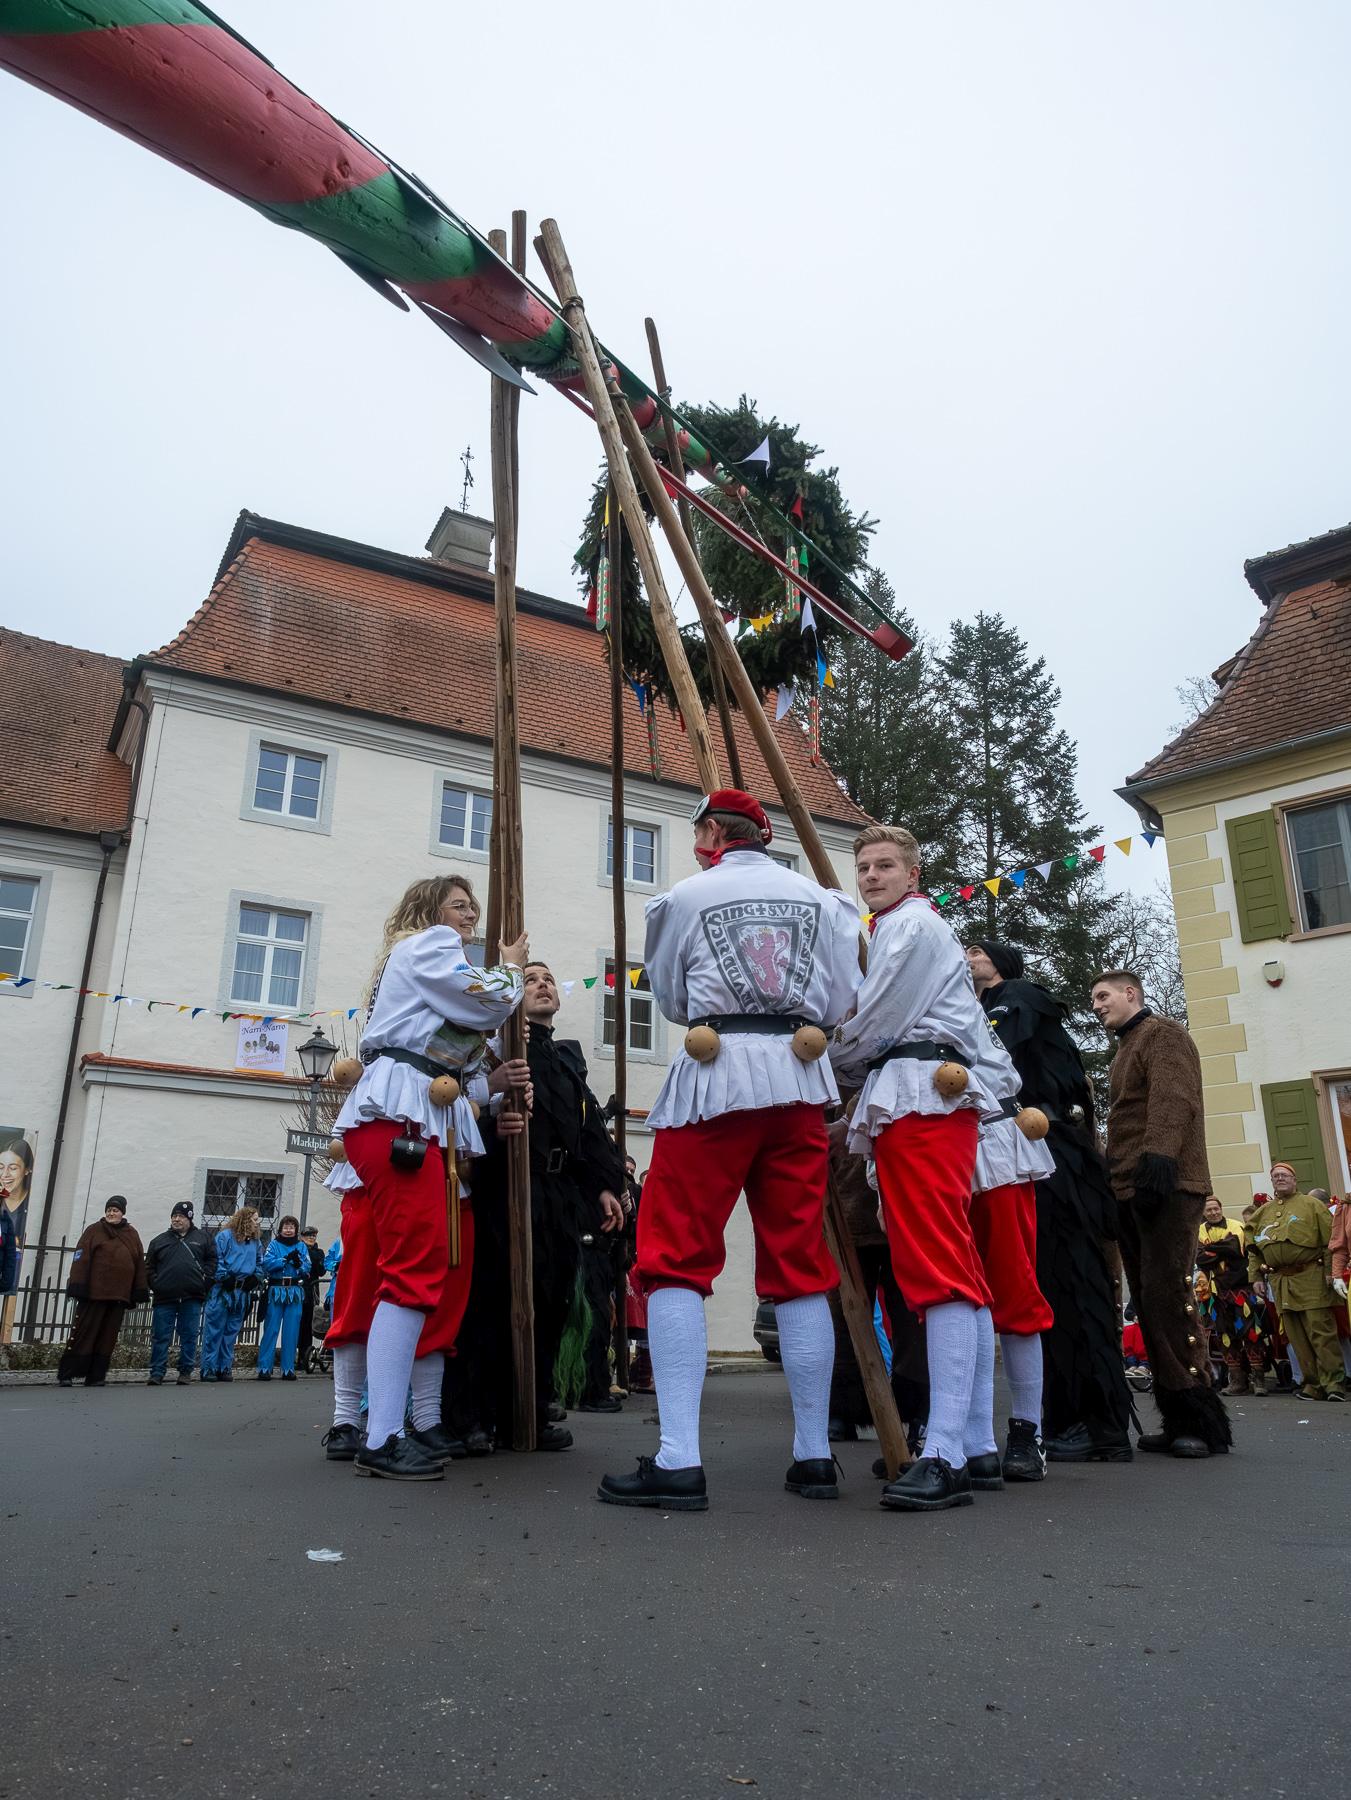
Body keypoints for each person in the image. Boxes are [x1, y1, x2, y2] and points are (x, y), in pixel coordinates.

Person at [599, 788, 862, 1512]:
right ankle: (812, 1454)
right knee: (801, 1263)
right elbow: (843, 997)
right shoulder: (824, 902)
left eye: (696, 834)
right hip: (797, 1079)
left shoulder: (681, 898)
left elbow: (676, 1000)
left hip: (715, 1075)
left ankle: (679, 1457)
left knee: (675, 1253)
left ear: (713, 831)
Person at [323, 874, 526, 1479]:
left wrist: (488, 1089)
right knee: (409, 1271)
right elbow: (485, 1001)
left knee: (424, 1269)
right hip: (400, 1117)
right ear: (429, 910)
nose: (469, 919)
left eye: (472, 910)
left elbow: (451, 1056)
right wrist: (510, 969)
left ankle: (393, 1425)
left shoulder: (416, 961)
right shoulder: (430, 944)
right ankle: (380, 1434)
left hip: (414, 1114)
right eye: (460, 906)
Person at [830, 827, 1004, 1513]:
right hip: (906, 1090)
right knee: (934, 1262)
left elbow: (874, 1023)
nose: (871, 875)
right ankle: (974, 1444)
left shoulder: (910, 928)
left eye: (884, 866)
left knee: (938, 1266)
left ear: (913, 871)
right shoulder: (893, 928)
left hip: (923, 1091)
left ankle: (947, 1452)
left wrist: (814, 1066)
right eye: (863, 866)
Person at [966, 941, 1133, 1464]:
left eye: (977, 951)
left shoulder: (1017, 998)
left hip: (1052, 1155)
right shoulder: (987, 1009)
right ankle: (1070, 1418)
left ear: (1002, 964)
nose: (967, 957)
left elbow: (990, 1061)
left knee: (1067, 1282)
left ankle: (1095, 1423)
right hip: (1033, 1151)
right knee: (1050, 1283)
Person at [1091, 970, 1231, 1457]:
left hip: (1167, 1183)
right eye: (1093, 998)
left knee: (1169, 1291)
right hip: (1132, 1186)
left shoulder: (1163, 1034)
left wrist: (1158, 1165)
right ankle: (1176, 1418)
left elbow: (1175, 1101)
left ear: (1132, 993)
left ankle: (1201, 1417)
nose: (1096, 1005)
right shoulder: (1125, 1048)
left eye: (1103, 995)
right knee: (1148, 1299)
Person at [968, 1049, 1057, 1483]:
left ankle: (1028, 1431)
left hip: (992, 1145)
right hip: (929, 1146)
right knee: (952, 1295)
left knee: (1014, 1292)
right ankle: (967, 1435)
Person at [1247, 1164, 1343, 1402]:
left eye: (1284, 1175)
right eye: (1275, 1176)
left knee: (1321, 1332)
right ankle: (1312, 1384)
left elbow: (1331, 1241)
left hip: (1311, 1276)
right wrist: (1255, 1277)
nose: (1279, 1179)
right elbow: (1254, 1250)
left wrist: (1332, 1271)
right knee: (1296, 1336)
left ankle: (1334, 1384)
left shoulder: (1313, 1206)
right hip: (1280, 1282)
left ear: (1294, 1179)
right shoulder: (1262, 1212)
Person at [56, 1197, 147, 1387]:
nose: (111, 1213)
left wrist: (139, 1289)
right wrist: (78, 1285)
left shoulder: (132, 1234)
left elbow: (139, 1263)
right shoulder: (93, 1231)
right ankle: (68, 1373)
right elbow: (81, 1258)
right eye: (109, 1210)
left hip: (118, 1296)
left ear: (123, 1213)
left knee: (107, 1337)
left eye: (115, 1210)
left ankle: (96, 1375)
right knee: (84, 1333)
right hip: (94, 1294)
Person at [1195, 1195, 1271, 1396]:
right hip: (1216, 1293)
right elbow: (1200, 1259)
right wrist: (1221, 1249)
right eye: (1209, 1210)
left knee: (1250, 1332)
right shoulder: (1199, 1231)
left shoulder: (1236, 1225)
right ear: (1204, 1212)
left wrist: (1212, 1249)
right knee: (1225, 1335)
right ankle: (1238, 1381)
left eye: (1216, 1209)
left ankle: (1259, 1380)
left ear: (1221, 1208)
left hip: (1240, 1289)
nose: (1213, 1212)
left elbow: (1236, 1248)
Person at [144, 1201, 217, 1385]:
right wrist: (156, 1284)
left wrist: (205, 1281)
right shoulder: (159, 1241)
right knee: (161, 1336)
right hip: (164, 1297)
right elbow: (149, 1267)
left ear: (189, 1218)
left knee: (189, 1335)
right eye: (174, 1216)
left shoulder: (203, 1238)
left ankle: (185, 1371)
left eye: (181, 1216)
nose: (176, 1219)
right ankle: (157, 1372)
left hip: (192, 1297)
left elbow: (212, 1261)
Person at [199, 1206, 262, 1382]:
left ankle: (224, 1367)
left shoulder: (255, 1242)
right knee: (214, 1331)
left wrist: (255, 1278)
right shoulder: (225, 1237)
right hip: (223, 1291)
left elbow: (260, 1262)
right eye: (255, 1219)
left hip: (242, 1292)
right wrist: (223, 1276)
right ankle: (208, 1368)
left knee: (231, 1332)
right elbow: (216, 1258)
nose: (257, 1223)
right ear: (245, 1220)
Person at [256, 1214, 308, 1380]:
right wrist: (284, 1260)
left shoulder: (301, 1246)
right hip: (277, 1289)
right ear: (280, 1229)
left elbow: (307, 1267)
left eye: (291, 1227)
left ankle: (288, 1368)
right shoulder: (274, 1244)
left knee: (291, 1331)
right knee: (271, 1329)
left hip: (294, 1291)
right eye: (285, 1227)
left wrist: (299, 1265)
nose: (288, 1230)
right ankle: (265, 1367)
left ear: (296, 1230)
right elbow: (267, 1263)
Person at [294, 1224, 325, 1372]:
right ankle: (296, 1355)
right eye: (308, 1236)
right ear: (302, 1237)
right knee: (297, 1325)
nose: (311, 1238)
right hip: (300, 1290)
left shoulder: (318, 1252)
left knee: (307, 1325)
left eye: (313, 1236)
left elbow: (321, 1270)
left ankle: (303, 1357)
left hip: (311, 1291)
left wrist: (311, 1253)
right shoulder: (298, 1249)